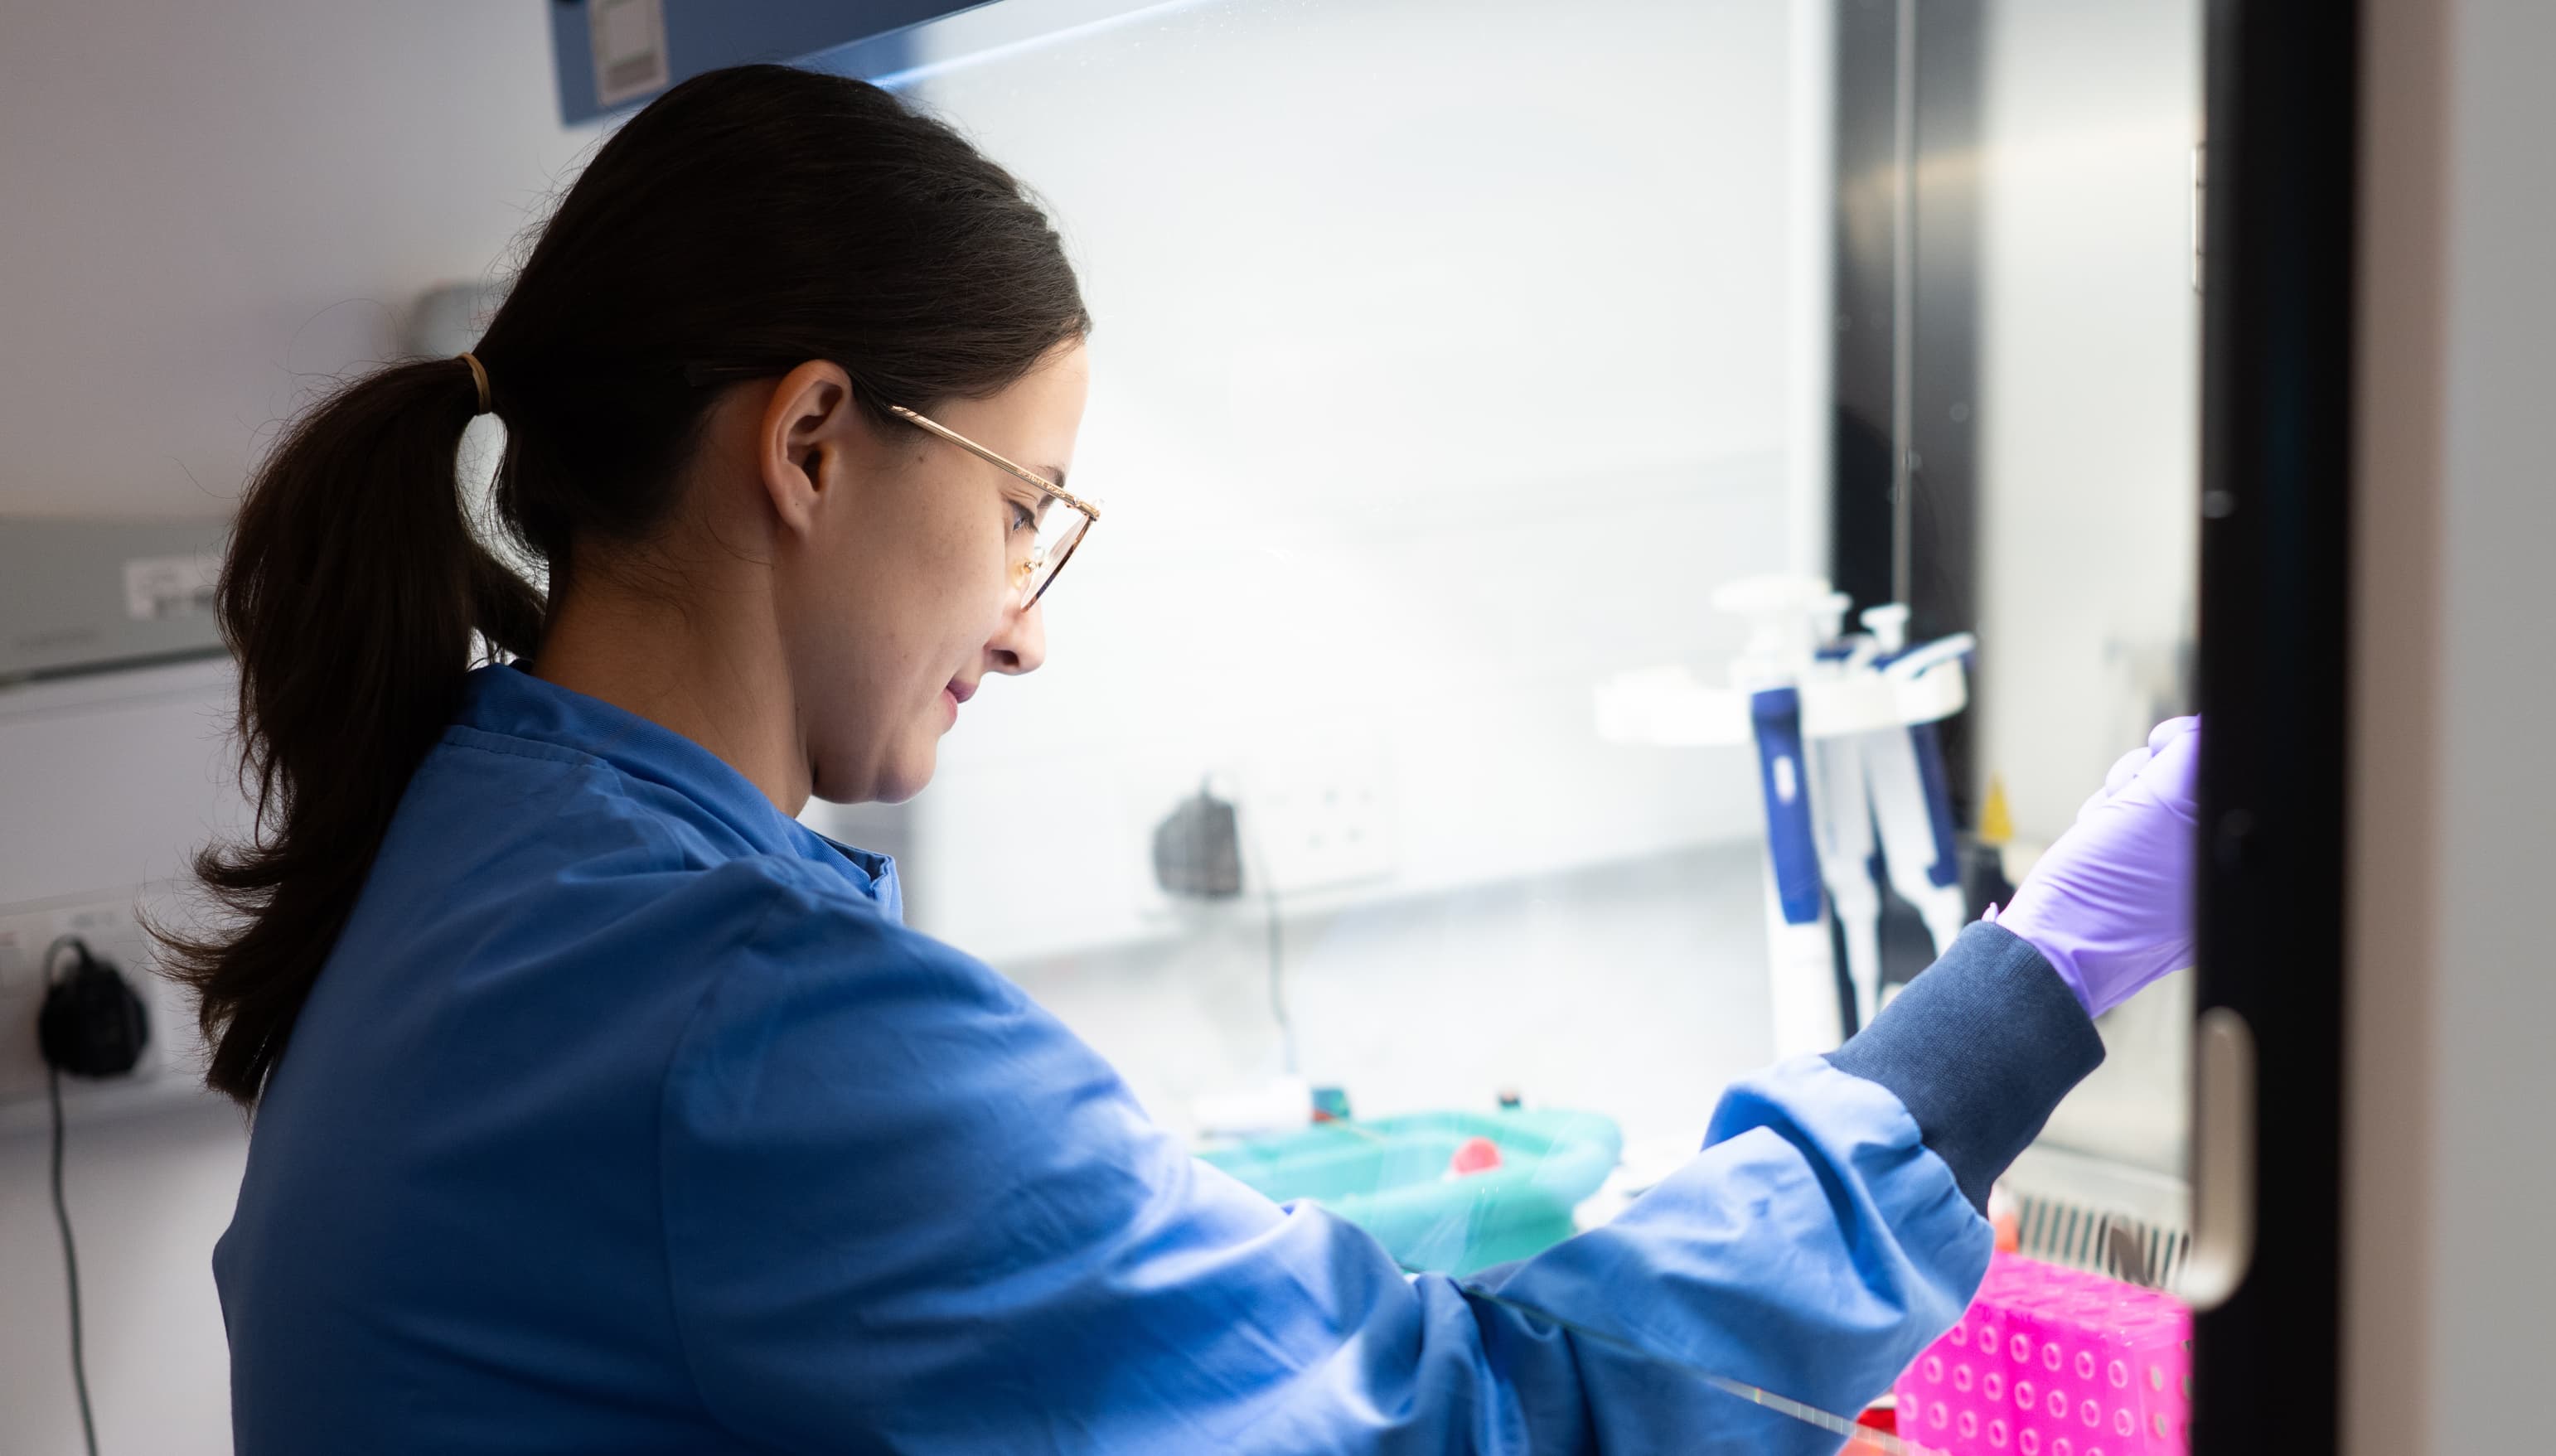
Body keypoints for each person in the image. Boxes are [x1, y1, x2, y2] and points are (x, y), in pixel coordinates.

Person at [177, 65, 2201, 1454]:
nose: (1031, 622)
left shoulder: (488, 856)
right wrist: (2043, 983)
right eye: (1020, 509)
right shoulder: (741, 1032)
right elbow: (1487, 1427)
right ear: (808, 446)